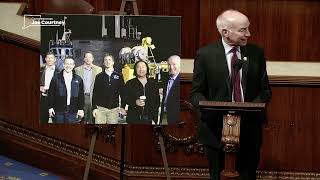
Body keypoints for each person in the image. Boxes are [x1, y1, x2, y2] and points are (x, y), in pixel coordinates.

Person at [190, 10, 272, 180]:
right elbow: (197, 92)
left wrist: (250, 110)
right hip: (215, 130)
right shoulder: (205, 55)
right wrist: (209, 112)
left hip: (249, 129)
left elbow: (265, 91)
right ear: (225, 32)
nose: (248, 34)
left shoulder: (256, 53)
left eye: (248, 29)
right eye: (243, 30)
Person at [48, 57, 85, 123]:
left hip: (73, 111)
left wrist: (80, 108)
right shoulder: (56, 78)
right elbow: (51, 93)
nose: (68, 66)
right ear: (63, 65)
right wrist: (50, 107)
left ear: (73, 66)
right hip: (58, 111)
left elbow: (81, 95)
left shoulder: (78, 79)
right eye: (66, 63)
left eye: (71, 64)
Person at [92, 54, 125, 124]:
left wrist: (123, 106)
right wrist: (94, 108)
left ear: (113, 62)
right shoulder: (99, 76)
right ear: (103, 63)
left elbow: (123, 93)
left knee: (112, 132)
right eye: (105, 60)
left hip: (114, 109)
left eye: (109, 60)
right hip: (100, 109)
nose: (107, 61)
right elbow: (95, 93)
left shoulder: (119, 76)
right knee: (99, 131)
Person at [75, 51, 102, 124]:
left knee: (93, 118)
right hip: (82, 96)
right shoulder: (77, 69)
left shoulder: (98, 69)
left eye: (90, 57)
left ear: (92, 59)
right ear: (84, 59)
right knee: (82, 117)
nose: (88, 59)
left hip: (94, 97)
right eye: (86, 57)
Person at [160, 55, 180, 125]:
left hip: (175, 118)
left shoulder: (181, 81)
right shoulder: (166, 79)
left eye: (174, 64)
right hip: (164, 115)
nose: (171, 67)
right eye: (169, 65)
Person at [40, 52, 59, 123]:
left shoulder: (59, 71)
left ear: (55, 59)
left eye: (51, 58)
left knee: (56, 120)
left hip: (55, 99)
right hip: (43, 98)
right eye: (48, 58)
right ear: (45, 59)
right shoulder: (41, 69)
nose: (49, 60)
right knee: (43, 120)